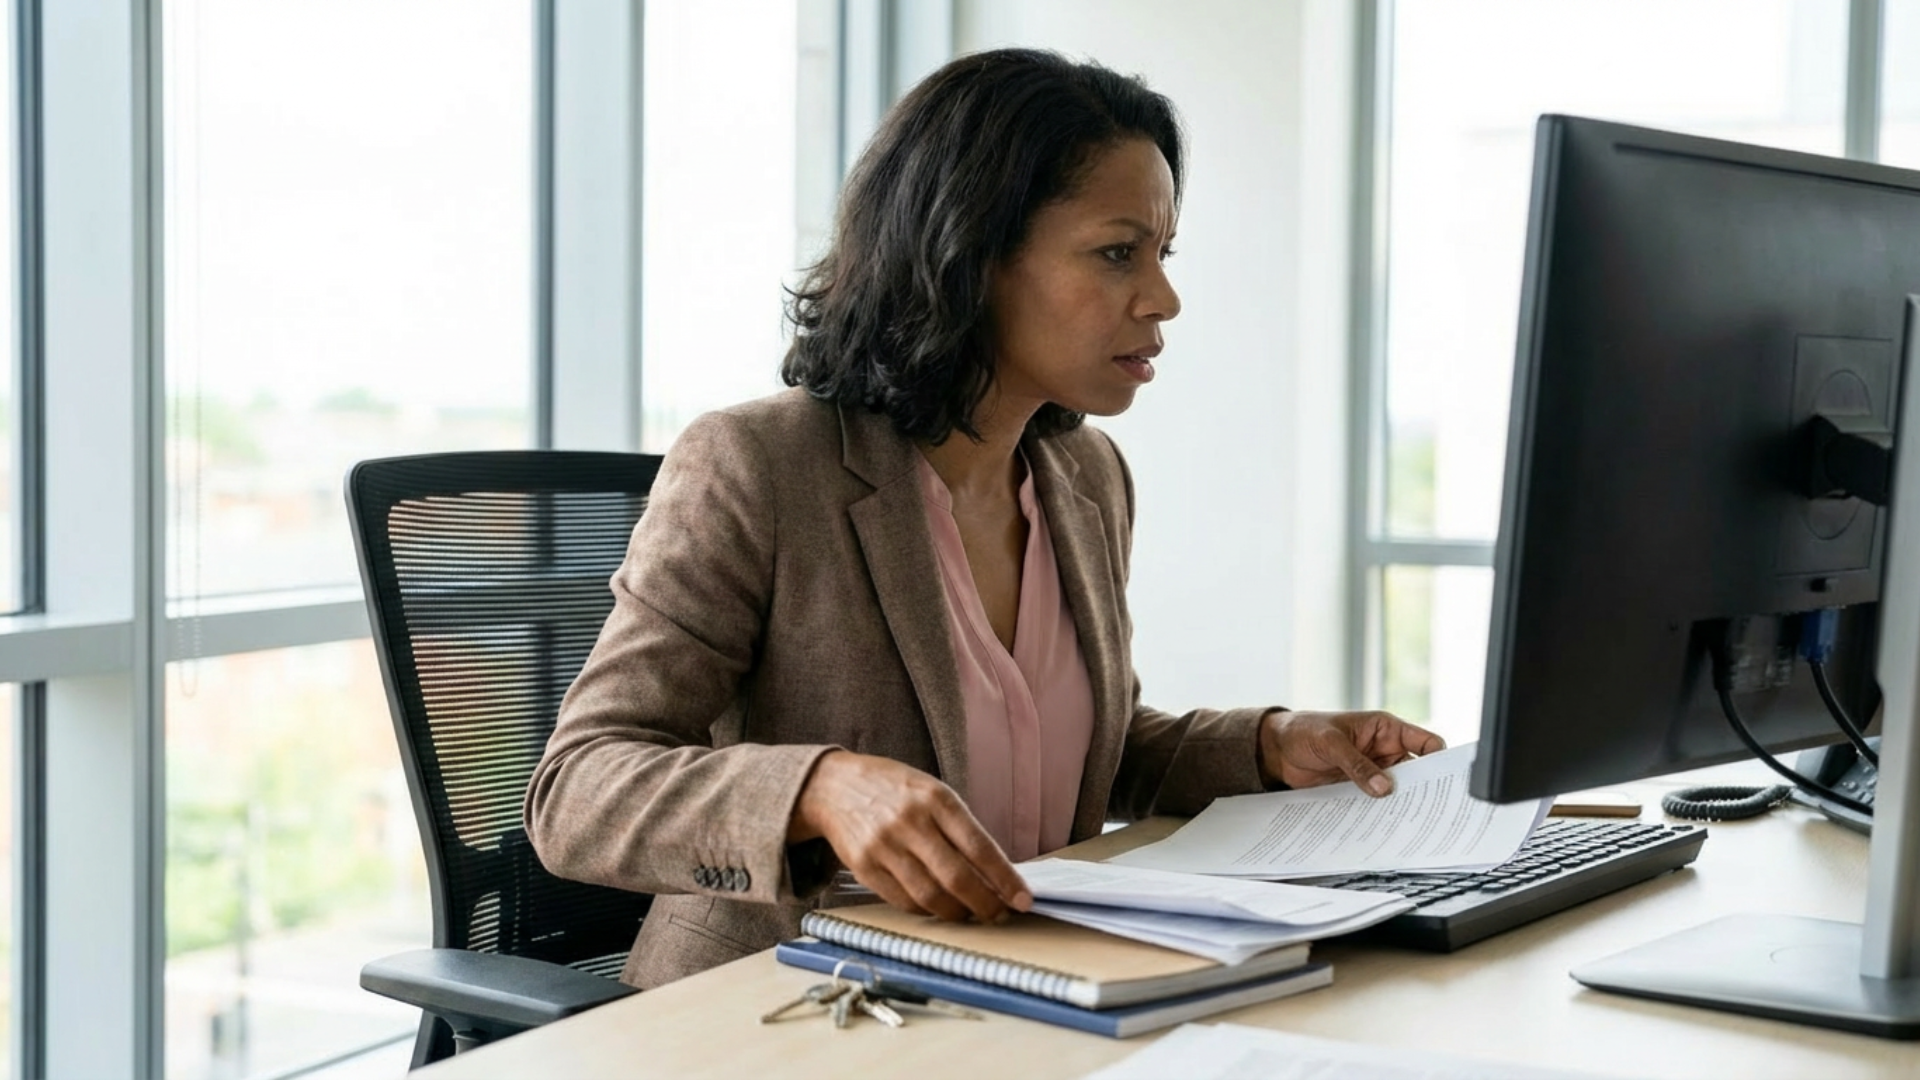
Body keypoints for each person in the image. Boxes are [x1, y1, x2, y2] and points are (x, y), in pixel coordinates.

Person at [524, 47, 1444, 990]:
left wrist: (1268, 744)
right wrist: (818, 788)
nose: (1163, 298)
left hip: (1030, 996)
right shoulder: (759, 467)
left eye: (1163, 255)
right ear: (973, 253)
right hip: (784, 1008)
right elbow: (578, 790)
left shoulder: (1085, 478)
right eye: (1118, 251)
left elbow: (1093, 753)